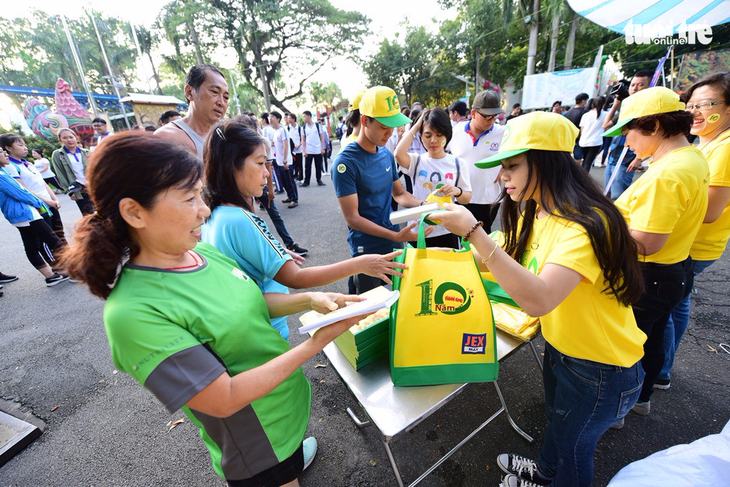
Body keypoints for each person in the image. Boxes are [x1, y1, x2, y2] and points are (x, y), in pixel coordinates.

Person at [61, 132, 370, 486]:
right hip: (259, 445)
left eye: (200, 193)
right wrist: (316, 342)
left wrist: (311, 300)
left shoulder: (199, 253)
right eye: (189, 197)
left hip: (285, 408)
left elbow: (247, 302)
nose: (204, 209)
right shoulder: (134, 312)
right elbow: (223, 399)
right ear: (134, 211)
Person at [437, 111, 646, 487]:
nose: (503, 176)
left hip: (601, 367)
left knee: (574, 449)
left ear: (547, 162)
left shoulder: (584, 225)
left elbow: (539, 298)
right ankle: (544, 473)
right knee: (558, 423)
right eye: (502, 166)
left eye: (512, 166)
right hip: (564, 349)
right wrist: (441, 260)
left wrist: (473, 232)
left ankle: (556, 474)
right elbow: (513, 257)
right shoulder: (540, 209)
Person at [202, 119, 406, 340]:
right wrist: (362, 263)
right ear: (233, 165)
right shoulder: (241, 220)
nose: (267, 174)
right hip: (264, 333)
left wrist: (272, 251)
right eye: (260, 164)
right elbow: (296, 277)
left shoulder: (214, 213)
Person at [604, 86, 709, 416]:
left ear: (656, 127)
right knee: (650, 340)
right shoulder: (691, 157)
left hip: (650, 276)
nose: (626, 142)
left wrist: (599, 235)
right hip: (675, 268)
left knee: (626, 347)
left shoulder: (667, 175)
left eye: (629, 132)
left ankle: (614, 411)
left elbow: (647, 243)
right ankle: (641, 398)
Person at [658, 72, 730, 389]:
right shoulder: (708, 142)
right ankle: (663, 368)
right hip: (691, 243)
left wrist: (657, 213)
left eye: (706, 104)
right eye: (691, 104)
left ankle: (659, 371)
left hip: (695, 246)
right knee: (677, 305)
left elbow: (711, 211)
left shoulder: (725, 149)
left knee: (667, 307)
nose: (695, 112)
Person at [332, 86, 429, 294]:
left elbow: (399, 194)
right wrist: (395, 236)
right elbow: (353, 218)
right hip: (366, 248)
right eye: (385, 126)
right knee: (370, 309)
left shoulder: (385, 154)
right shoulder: (345, 163)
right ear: (365, 120)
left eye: (393, 126)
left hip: (394, 238)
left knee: (397, 300)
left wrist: (426, 205)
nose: (391, 133)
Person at [394, 108, 471, 248]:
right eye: (428, 135)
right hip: (419, 231)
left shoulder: (458, 164)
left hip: (448, 230)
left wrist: (457, 191)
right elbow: (398, 154)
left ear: (447, 135)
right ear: (421, 136)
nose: (433, 140)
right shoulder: (416, 161)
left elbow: (466, 198)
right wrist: (417, 125)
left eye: (439, 134)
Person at [0, 148, 68, 286]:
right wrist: (41, 203)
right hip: (24, 212)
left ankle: (51, 276)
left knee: (32, 245)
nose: (6, 155)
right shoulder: (1, 174)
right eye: (2, 152)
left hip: (19, 213)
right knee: (53, 240)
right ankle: (68, 270)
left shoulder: (4, 171)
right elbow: (20, 192)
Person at [447, 89, 506, 232]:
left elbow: (521, 154)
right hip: (461, 196)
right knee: (461, 237)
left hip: (488, 199)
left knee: (483, 238)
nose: (491, 121)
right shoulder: (455, 132)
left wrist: (506, 167)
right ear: (473, 113)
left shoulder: (503, 133)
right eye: (486, 117)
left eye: (494, 116)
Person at [1, 134, 66, 245]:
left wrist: (54, 199)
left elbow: (43, 182)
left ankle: (73, 261)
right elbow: (23, 189)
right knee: (51, 241)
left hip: (50, 203)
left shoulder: (28, 163)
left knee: (60, 235)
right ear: (8, 148)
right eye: (20, 145)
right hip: (40, 206)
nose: (25, 147)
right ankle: (61, 262)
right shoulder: (10, 166)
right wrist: (47, 201)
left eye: (25, 145)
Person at [155, 63, 229, 158]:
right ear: (189, 92)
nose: (221, 102)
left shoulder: (224, 137)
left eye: (226, 97)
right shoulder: (166, 139)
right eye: (214, 92)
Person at [602, 70, 653, 199]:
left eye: (640, 85)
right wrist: (616, 103)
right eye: (632, 85)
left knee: (618, 197)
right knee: (607, 193)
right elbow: (606, 125)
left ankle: (619, 219)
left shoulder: (649, 110)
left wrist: (638, 159)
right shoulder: (627, 107)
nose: (634, 88)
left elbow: (650, 136)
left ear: (649, 86)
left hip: (627, 160)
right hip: (613, 158)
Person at [51, 128, 94, 215]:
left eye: (71, 137)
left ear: (76, 138)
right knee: (89, 216)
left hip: (93, 188)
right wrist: (70, 191)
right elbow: (60, 174)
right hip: (80, 190)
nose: (69, 140)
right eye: (65, 138)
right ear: (60, 140)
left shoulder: (86, 152)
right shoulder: (58, 154)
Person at [269, 111, 298, 207]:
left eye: (272, 117)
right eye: (269, 117)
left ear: (278, 119)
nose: (270, 119)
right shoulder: (275, 131)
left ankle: (294, 199)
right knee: (284, 181)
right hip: (279, 161)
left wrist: (285, 160)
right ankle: (290, 196)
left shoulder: (283, 130)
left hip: (286, 161)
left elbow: (286, 145)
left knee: (290, 181)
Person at [578, 96, 607, 172]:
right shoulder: (606, 115)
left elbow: (582, 129)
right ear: (604, 104)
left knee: (584, 161)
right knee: (588, 162)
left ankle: (581, 178)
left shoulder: (586, 115)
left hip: (583, 141)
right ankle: (584, 180)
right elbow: (606, 127)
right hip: (595, 142)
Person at [301, 110, 326, 186]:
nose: (304, 118)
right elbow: (303, 139)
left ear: (309, 116)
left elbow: (322, 137)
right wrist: (304, 150)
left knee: (318, 166)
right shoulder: (304, 128)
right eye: (303, 117)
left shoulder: (317, 126)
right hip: (309, 150)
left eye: (305, 116)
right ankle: (306, 181)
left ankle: (319, 180)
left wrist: (323, 147)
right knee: (307, 167)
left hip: (317, 149)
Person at [563, 93, 589, 164]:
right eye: (586, 100)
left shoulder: (567, 113)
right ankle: (574, 173)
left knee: (567, 157)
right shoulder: (584, 113)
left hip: (568, 138)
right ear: (583, 101)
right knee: (578, 157)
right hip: (578, 138)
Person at [286, 112, 304, 184]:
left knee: (300, 164)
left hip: (299, 149)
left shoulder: (299, 128)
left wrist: (299, 145)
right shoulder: (288, 128)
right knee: (293, 164)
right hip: (291, 150)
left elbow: (302, 138)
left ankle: (301, 177)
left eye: (289, 118)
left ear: (293, 119)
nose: (288, 120)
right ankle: (294, 176)